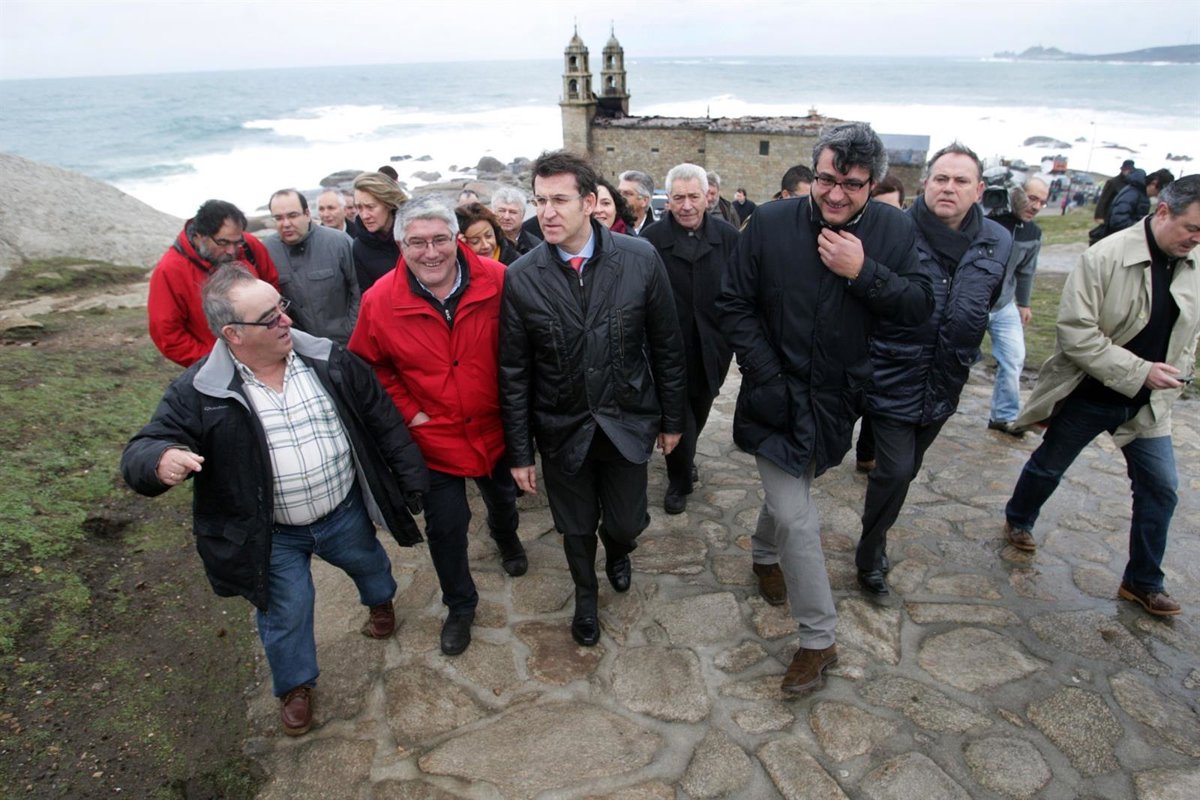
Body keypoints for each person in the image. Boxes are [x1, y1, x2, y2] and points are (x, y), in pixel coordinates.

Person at [121, 265, 429, 736]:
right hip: (273, 534)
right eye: (269, 318)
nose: (286, 319)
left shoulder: (329, 360)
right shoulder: (200, 391)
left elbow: (382, 419)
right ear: (233, 334)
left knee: (369, 564)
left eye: (281, 307)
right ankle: (295, 685)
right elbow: (144, 447)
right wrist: (159, 459)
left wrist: (410, 478)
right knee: (286, 610)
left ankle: (380, 602)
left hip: (342, 511)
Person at [718, 122, 933, 694]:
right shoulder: (769, 222)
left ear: (873, 185)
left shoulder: (893, 229)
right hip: (772, 396)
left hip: (838, 401)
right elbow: (732, 302)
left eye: (852, 185)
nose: (836, 194)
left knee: (792, 493)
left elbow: (919, 306)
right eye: (826, 180)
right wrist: (763, 373)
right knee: (797, 515)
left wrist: (864, 273)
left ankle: (764, 554)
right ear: (814, 173)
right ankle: (819, 640)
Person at [499, 150, 685, 648]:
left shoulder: (639, 259)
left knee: (625, 522)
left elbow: (667, 345)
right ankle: (586, 596)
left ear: (588, 202)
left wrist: (672, 419)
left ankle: (619, 551)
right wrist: (520, 451)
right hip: (562, 426)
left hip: (627, 418)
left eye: (559, 200)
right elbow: (514, 371)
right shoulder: (521, 277)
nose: (547, 212)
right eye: (540, 201)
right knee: (575, 526)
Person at [1003, 174, 1200, 618]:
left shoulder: (1196, 262)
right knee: (1049, 466)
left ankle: (1142, 582)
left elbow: (1190, 333)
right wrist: (1141, 371)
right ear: (1163, 211)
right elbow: (1076, 333)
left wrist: (1177, 371)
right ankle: (1019, 517)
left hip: (1149, 407)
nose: (1197, 239)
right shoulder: (1104, 256)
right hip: (1090, 393)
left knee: (1161, 489)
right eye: (1192, 228)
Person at [350, 198, 527, 656]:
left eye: (439, 240)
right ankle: (460, 605)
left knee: (503, 498)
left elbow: (525, 345)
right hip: (433, 437)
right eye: (417, 243)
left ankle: (506, 537)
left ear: (457, 239)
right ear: (400, 245)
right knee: (446, 526)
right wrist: (410, 411)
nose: (430, 253)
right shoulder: (379, 301)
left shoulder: (500, 280)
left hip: (494, 427)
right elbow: (369, 367)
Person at [855, 142, 1010, 597]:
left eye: (961, 181)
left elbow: (987, 298)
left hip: (946, 376)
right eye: (941, 178)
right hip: (893, 370)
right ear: (925, 183)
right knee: (895, 470)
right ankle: (870, 552)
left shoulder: (997, 241)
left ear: (978, 190)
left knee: (907, 470)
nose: (949, 188)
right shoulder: (894, 229)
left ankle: (876, 529)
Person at [641, 163, 738, 514]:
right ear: (667, 200)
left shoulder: (728, 237)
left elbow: (741, 289)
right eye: (678, 197)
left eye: (693, 197)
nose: (686, 206)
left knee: (700, 408)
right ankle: (679, 481)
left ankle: (687, 456)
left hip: (713, 346)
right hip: (668, 347)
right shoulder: (650, 241)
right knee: (677, 414)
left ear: (707, 197)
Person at [148, 199, 279, 367]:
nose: (232, 250)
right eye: (223, 243)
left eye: (237, 242)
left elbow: (272, 288)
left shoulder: (248, 246)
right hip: (221, 368)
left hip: (269, 355)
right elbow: (168, 336)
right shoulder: (169, 271)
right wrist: (216, 363)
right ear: (199, 236)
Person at [854, 176, 910, 470]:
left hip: (892, 338)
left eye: (891, 208)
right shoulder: (852, 237)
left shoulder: (907, 244)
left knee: (879, 399)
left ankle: (866, 453)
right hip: (855, 335)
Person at [985, 178, 1048, 435]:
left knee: (1014, 358)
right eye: (1032, 198)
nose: (1036, 207)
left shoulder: (1033, 233)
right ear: (1016, 192)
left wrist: (1024, 303)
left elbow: (1026, 271)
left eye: (1042, 202)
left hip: (1003, 307)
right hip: (972, 303)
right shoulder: (987, 220)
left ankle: (1004, 416)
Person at [264, 189, 360, 345]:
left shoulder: (339, 242)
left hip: (344, 343)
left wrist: (352, 330)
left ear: (307, 214)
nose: (286, 224)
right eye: (279, 218)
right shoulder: (267, 250)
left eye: (293, 215)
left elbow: (358, 289)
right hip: (298, 346)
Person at [352, 172, 408, 292]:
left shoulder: (413, 234)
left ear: (388, 204)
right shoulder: (359, 247)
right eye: (359, 208)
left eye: (370, 207)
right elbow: (367, 294)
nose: (364, 216)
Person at [1109, 169, 1174, 236]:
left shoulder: (1142, 196)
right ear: (1154, 183)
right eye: (1161, 190)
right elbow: (1118, 221)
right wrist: (1144, 229)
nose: (1159, 194)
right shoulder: (1132, 193)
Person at [455, 202, 521, 265]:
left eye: (489, 236)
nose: (486, 246)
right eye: (475, 241)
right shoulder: (457, 268)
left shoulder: (517, 264)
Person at [491, 187, 542, 255]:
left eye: (513, 212)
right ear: (493, 213)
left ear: (522, 215)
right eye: (502, 211)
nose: (506, 217)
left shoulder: (535, 247)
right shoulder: (485, 243)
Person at [1095, 159, 1135, 224]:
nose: (1128, 172)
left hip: (1124, 217)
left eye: (1130, 170)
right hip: (1109, 215)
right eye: (1126, 169)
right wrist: (1099, 216)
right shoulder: (1113, 182)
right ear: (1122, 170)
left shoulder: (1131, 183)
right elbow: (1103, 199)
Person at [618, 169, 655, 234]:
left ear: (644, 200)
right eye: (618, 192)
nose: (620, 197)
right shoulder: (610, 229)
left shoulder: (658, 233)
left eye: (627, 194)